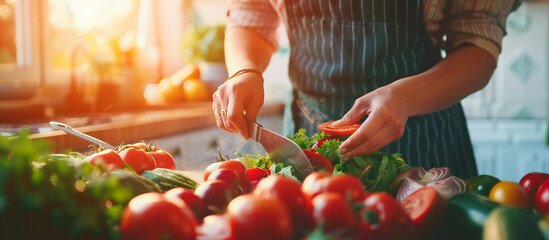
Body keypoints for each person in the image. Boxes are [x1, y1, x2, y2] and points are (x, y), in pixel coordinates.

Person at [212, 0, 521, 179]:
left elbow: (477, 46)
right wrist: (245, 70)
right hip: (308, 137)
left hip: (424, 138)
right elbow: (250, 17)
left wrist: (407, 97)